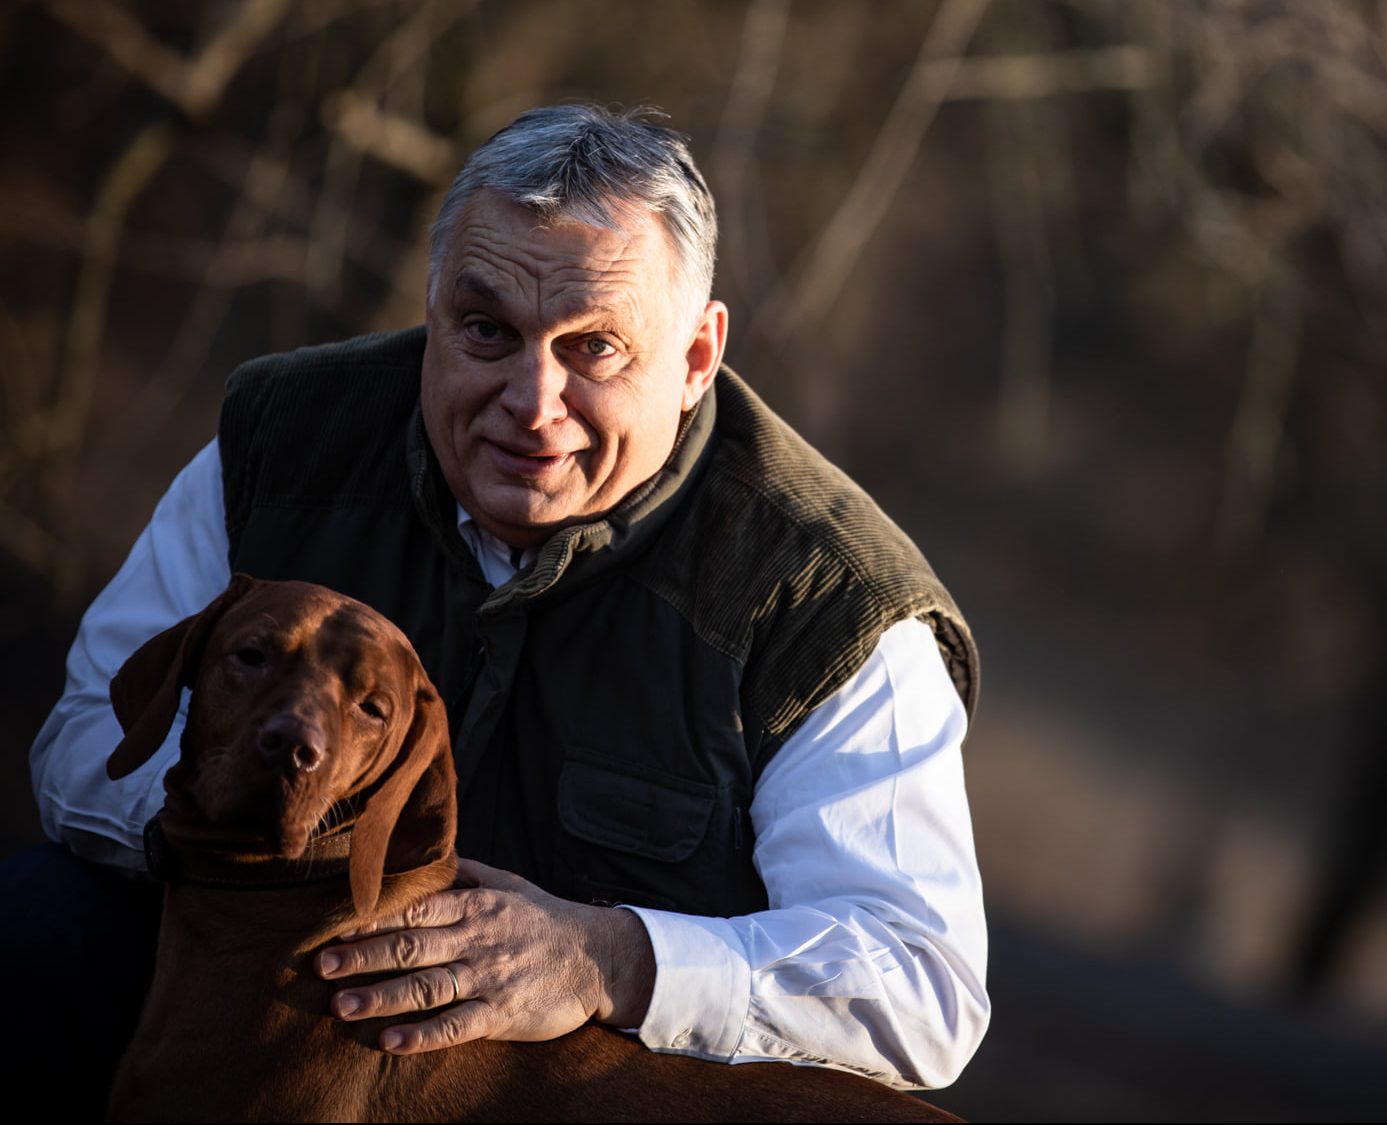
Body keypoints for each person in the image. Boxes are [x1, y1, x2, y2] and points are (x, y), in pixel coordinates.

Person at [25, 104, 987, 1093]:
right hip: (240, 979)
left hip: (579, 1086)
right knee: (36, 923)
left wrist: (606, 958)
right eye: (487, 330)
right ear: (433, 306)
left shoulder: (829, 601)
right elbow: (83, 741)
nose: (532, 402)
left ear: (697, 359)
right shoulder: (283, 442)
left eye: (593, 349)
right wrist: (253, 837)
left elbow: (921, 984)